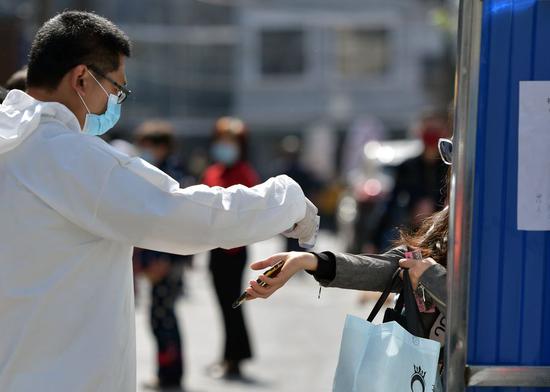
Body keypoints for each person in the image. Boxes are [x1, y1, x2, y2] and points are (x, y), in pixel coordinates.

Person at [0, 11, 318, 392]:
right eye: (116, 90)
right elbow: (178, 215)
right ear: (81, 78)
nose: (116, 104)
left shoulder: (13, 140)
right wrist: (287, 200)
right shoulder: (64, 154)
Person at [246, 138, 454, 391]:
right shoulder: (446, 221)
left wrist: (431, 277)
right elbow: (394, 265)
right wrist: (310, 261)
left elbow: (482, 313)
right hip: (423, 373)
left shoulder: (500, 238)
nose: (454, 173)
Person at [133, 120, 194, 390]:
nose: (144, 151)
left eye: (148, 146)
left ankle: (169, 374)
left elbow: (173, 222)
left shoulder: (171, 174)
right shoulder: (159, 170)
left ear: (162, 147)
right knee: (161, 317)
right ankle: (169, 372)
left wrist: (163, 260)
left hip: (166, 259)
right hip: (160, 257)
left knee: (163, 317)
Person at [202, 117, 259, 379]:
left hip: (233, 250)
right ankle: (229, 355)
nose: (225, 146)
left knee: (232, 303)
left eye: (230, 142)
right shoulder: (213, 171)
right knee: (224, 304)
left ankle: (234, 357)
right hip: (216, 247)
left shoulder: (244, 173)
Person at [373, 111, 450, 251]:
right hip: (414, 235)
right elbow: (391, 203)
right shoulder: (408, 167)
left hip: (442, 236)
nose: (431, 135)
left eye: (435, 130)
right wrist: (373, 240)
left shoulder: (449, 167)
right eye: (428, 130)